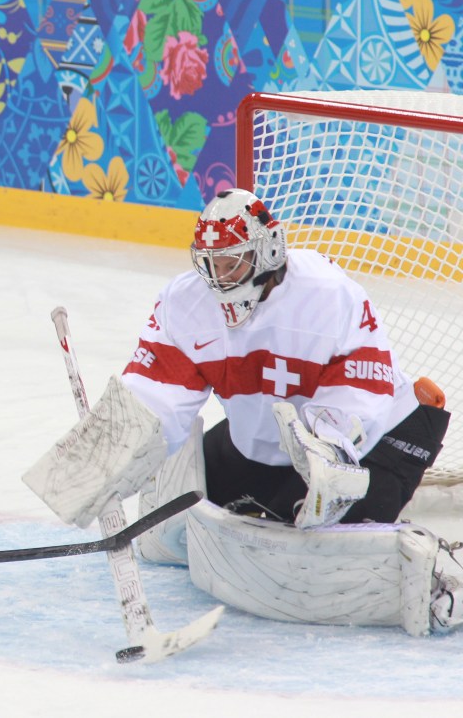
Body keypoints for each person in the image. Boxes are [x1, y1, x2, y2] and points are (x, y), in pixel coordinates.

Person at [23, 188, 460, 635]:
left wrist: (325, 452)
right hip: (267, 443)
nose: (219, 277)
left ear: (268, 252)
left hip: (373, 440)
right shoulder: (185, 302)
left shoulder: (329, 294)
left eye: (231, 263)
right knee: (170, 526)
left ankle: (437, 579)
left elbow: (363, 388)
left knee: (296, 554)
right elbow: (157, 395)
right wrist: (109, 453)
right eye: (210, 264)